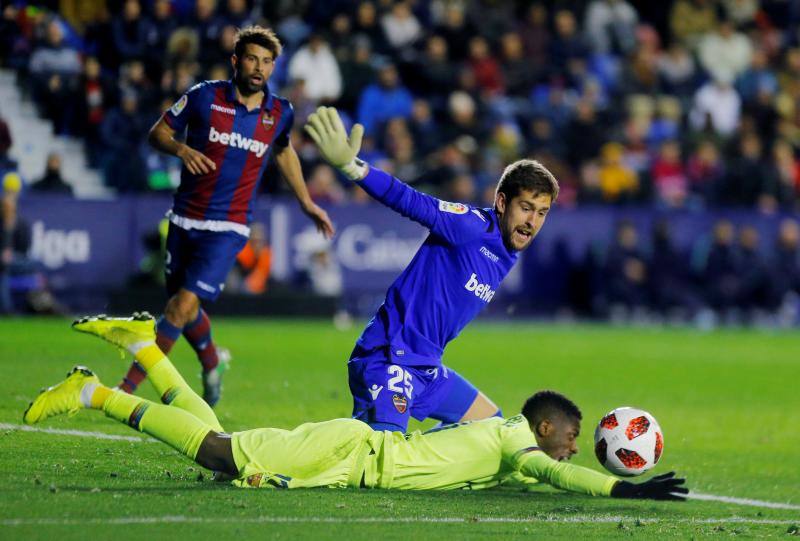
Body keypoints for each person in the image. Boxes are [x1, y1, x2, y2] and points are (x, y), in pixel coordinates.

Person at [24, 314, 687, 500]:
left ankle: (150, 351)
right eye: (571, 436)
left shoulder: (502, 443)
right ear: (546, 427)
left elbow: (541, 476)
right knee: (221, 454)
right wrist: (623, 492)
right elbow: (557, 472)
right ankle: (93, 391)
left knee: (224, 439)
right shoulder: (518, 439)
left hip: (355, 460)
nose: (572, 446)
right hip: (353, 447)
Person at [118, 26, 335, 405]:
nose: (260, 68)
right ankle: (212, 360)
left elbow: (283, 152)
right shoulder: (205, 97)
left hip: (229, 226)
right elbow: (158, 133)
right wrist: (183, 151)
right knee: (183, 308)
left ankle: (125, 391)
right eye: (253, 59)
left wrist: (306, 201)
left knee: (180, 307)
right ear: (236, 61)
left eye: (268, 62)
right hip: (184, 219)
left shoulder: (279, 112)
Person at [305, 107, 557, 433]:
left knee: (493, 430)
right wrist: (351, 168)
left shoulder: (510, 247)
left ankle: (420, 455)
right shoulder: (470, 225)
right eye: (526, 208)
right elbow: (409, 199)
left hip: (425, 366)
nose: (532, 222)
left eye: (542, 213)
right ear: (501, 202)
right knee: (381, 458)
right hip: (389, 356)